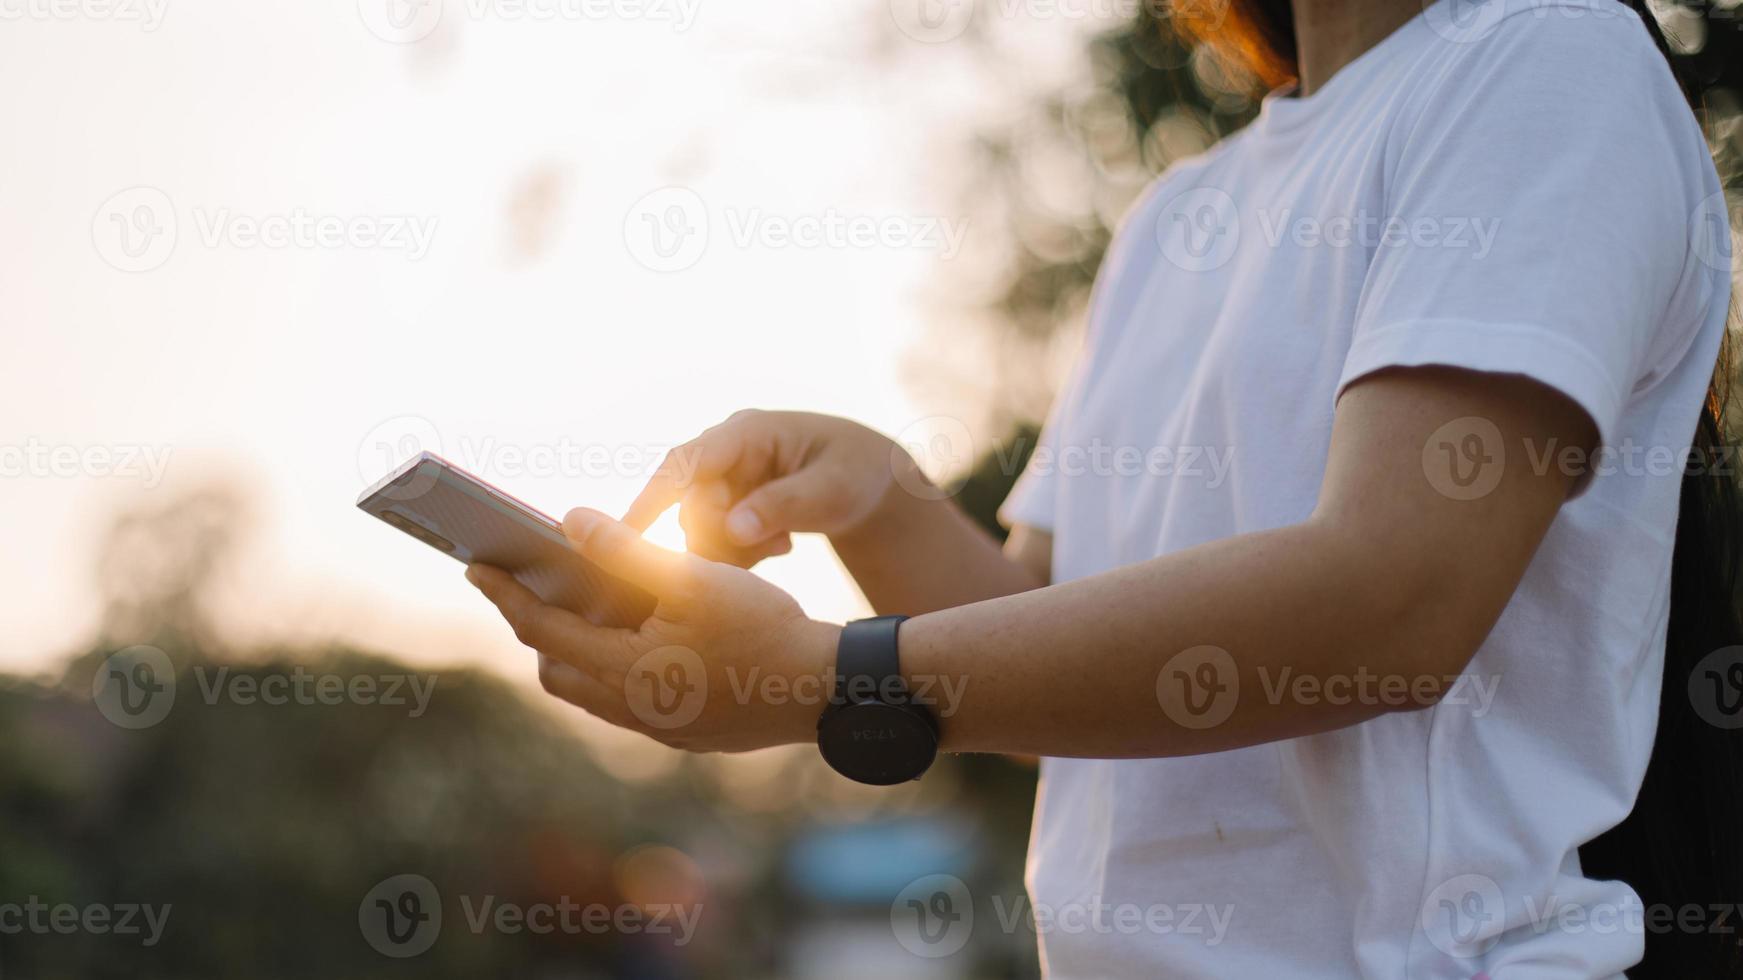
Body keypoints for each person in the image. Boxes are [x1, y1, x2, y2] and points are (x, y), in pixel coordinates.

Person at [466, 0, 1741, 973]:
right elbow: (1050, 657)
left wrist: (827, 678)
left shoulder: (1549, 63)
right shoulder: (1180, 214)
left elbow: (1395, 595)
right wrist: (881, 497)